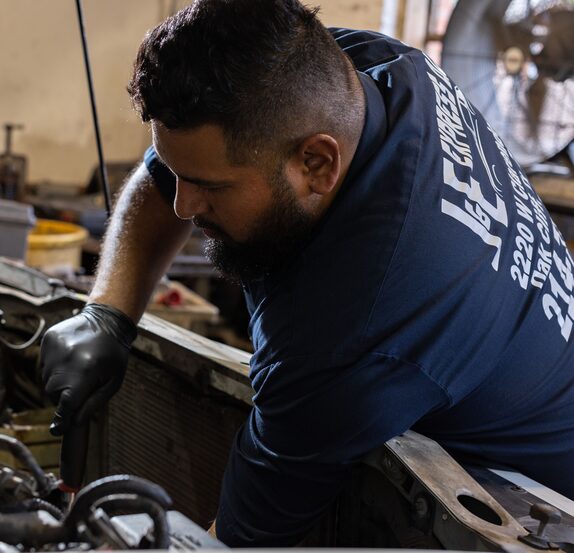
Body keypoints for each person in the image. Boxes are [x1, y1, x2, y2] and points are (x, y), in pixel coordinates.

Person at [40, 0, 574, 546]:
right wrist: (108, 311)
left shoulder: (357, 324)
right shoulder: (360, 68)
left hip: (538, 513)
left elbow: (238, 542)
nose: (182, 206)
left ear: (317, 163)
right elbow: (166, 177)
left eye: (210, 187)